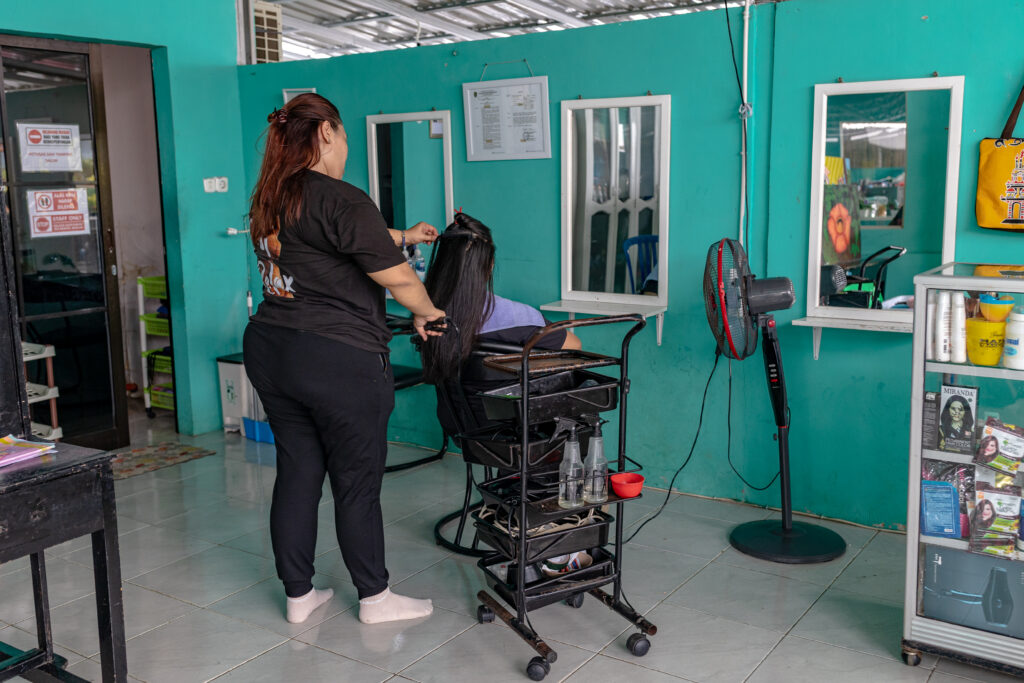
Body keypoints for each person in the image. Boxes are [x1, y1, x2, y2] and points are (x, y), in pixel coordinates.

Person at [242, 93, 445, 626]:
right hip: (336, 357)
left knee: (299, 471)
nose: (348, 145)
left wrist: (402, 235)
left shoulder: (270, 196)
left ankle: (299, 596)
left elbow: (319, 245)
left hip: (272, 349)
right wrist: (428, 311)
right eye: (346, 134)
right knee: (356, 480)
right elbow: (398, 277)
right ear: (328, 133)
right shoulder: (343, 197)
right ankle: (375, 599)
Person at [419, 213, 580, 425]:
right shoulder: (519, 317)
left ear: (443, 263)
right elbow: (574, 347)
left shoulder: (425, 315)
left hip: (459, 422)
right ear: (489, 264)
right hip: (518, 425)